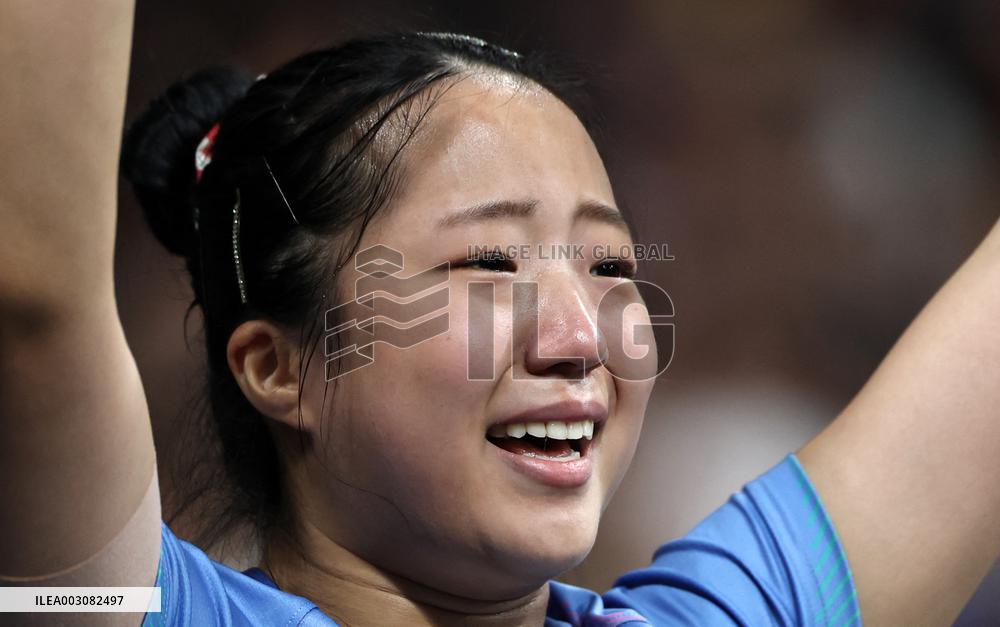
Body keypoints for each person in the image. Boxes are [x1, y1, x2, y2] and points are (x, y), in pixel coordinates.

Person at [1, 2, 999, 626]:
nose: (580, 339)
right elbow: (34, 303)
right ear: (278, 367)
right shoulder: (125, 613)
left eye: (610, 263)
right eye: (488, 261)